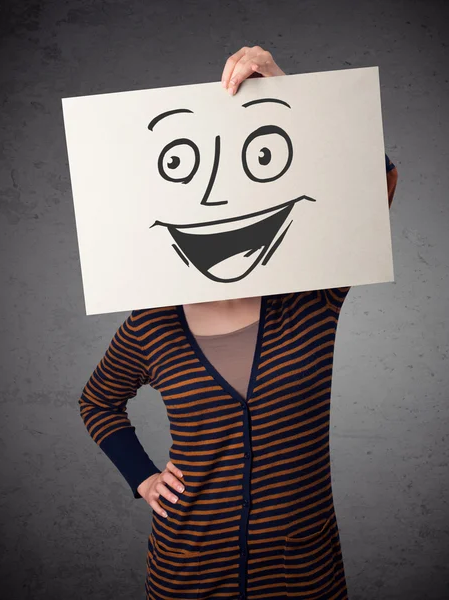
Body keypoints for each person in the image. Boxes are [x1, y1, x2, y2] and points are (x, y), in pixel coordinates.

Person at [79, 46, 398, 600]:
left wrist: (290, 99)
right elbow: (97, 401)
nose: (219, 198)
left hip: (304, 573)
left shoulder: (311, 295)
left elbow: (376, 185)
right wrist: (143, 477)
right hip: (188, 572)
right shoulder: (151, 323)